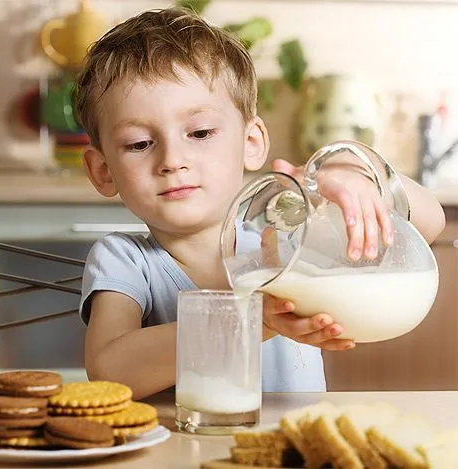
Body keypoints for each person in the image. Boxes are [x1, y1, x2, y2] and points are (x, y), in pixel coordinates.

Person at [74, 7, 445, 400]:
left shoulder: (285, 231)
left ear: (251, 143)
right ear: (103, 171)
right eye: (139, 144)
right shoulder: (125, 261)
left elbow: (430, 221)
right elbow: (110, 372)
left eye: (199, 132)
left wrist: (358, 169)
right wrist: (253, 318)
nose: (171, 160)